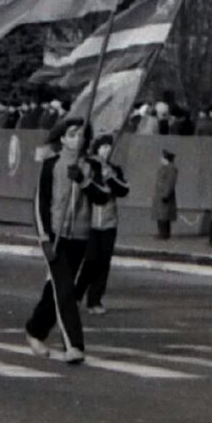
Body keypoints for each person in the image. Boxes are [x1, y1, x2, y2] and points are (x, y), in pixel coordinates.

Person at [24, 118, 91, 364]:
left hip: (81, 237)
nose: (77, 138)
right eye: (72, 134)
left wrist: (84, 180)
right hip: (56, 236)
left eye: (81, 134)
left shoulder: (89, 165)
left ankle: (35, 330)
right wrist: (44, 239)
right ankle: (74, 345)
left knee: (56, 288)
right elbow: (40, 203)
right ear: (62, 138)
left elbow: (103, 196)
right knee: (65, 290)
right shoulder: (50, 165)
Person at [72, 133, 129, 315]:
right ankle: (76, 295)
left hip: (109, 221)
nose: (106, 151)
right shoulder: (90, 166)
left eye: (108, 148)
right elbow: (91, 189)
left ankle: (95, 300)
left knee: (104, 262)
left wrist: (110, 177)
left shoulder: (114, 169)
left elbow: (123, 190)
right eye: (103, 147)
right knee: (90, 261)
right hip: (90, 221)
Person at [152, 149, 177, 240]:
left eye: (162, 157)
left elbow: (170, 183)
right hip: (160, 195)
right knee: (160, 215)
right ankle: (161, 233)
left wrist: (166, 195)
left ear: (166, 158)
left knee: (164, 216)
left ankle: (164, 234)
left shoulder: (171, 168)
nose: (160, 159)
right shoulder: (163, 168)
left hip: (165, 195)